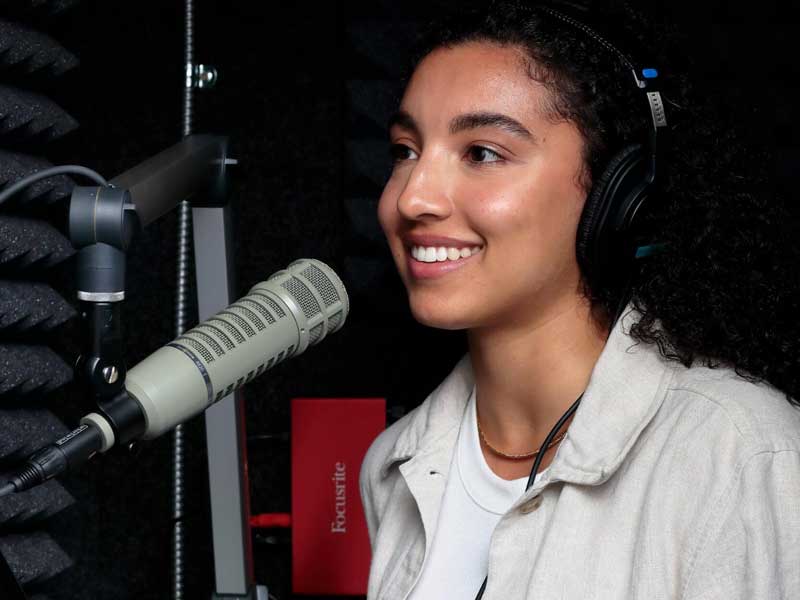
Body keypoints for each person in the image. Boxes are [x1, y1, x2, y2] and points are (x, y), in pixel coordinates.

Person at [358, 1, 800, 599]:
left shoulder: (738, 452)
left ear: (618, 196)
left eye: (482, 153)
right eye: (405, 150)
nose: (411, 200)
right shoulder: (394, 465)